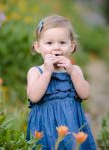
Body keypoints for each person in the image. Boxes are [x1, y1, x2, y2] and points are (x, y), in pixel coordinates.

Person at [26, 14, 96, 150]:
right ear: (38, 47)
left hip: (72, 126)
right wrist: (47, 72)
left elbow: (85, 94)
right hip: (45, 128)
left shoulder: (75, 70)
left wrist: (72, 72)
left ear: (72, 46)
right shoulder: (36, 72)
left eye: (62, 43)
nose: (56, 48)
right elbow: (34, 97)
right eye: (49, 43)